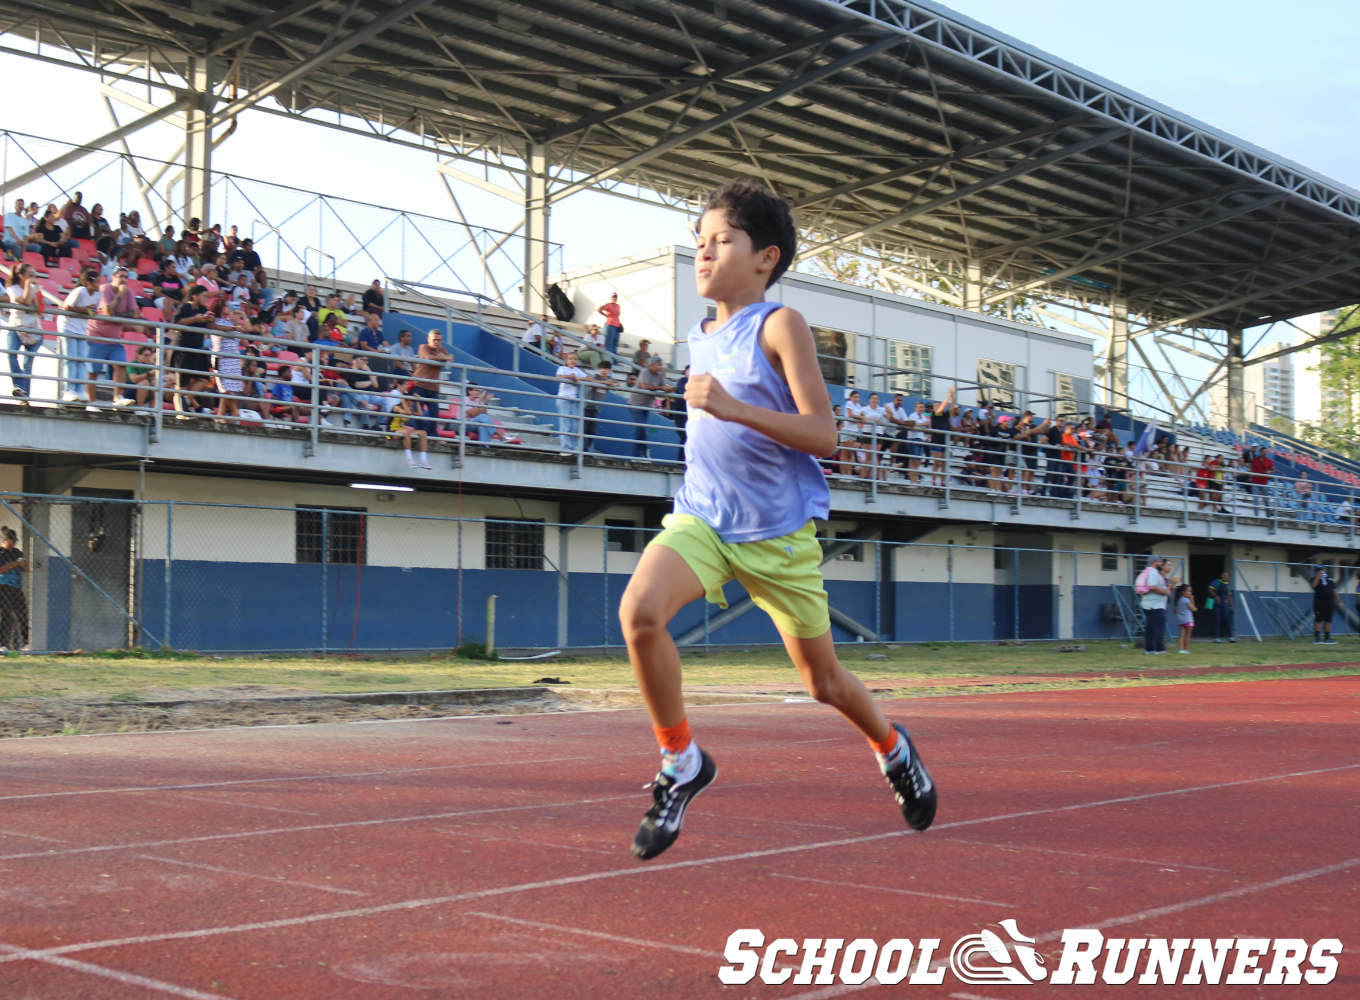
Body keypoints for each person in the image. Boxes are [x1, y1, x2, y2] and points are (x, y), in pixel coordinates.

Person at [618, 180, 936, 861]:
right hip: (702, 519)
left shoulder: (778, 325)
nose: (703, 254)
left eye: (720, 241)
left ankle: (892, 746)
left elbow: (824, 434)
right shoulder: (700, 338)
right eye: (698, 243)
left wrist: (733, 408)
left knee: (822, 683)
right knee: (640, 614)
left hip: (776, 537)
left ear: (765, 257)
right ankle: (682, 761)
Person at [59, 269, 102, 404]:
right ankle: (69, 389)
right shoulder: (80, 291)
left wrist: (91, 312)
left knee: (81, 360)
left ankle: (80, 389)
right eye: (96, 282)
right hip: (69, 326)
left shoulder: (97, 294)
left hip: (82, 329)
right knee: (71, 359)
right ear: (88, 282)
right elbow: (66, 306)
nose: (99, 285)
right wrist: (84, 309)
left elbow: (94, 310)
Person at [4, 261, 42, 401]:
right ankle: (19, 386)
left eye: (34, 274)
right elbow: (25, 301)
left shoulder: (35, 288)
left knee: (27, 364)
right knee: (11, 354)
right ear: (21, 276)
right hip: (16, 327)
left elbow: (37, 306)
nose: (33, 277)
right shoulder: (13, 289)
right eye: (29, 275)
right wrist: (28, 286)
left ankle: (24, 396)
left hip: (33, 329)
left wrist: (32, 290)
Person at [628, 355, 669, 458]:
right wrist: (661, 388)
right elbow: (645, 386)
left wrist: (669, 389)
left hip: (646, 406)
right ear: (652, 365)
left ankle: (638, 455)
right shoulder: (644, 371)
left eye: (661, 365)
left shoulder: (660, 375)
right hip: (635, 404)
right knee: (641, 427)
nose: (660, 367)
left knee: (641, 429)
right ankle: (642, 452)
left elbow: (663, 389)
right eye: (658, 365)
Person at [1136, 555, 1172, 654]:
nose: (1161, 563)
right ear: (1155, 562)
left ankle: (1150, 649)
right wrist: (1164, 592)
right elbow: (1152, 586)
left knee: (1151, 627)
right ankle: (1159, 649)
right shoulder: (1153, 572)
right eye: (1160, 561)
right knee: (1158, 627)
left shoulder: (1150, 572)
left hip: (1150, 604)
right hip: (1154, 605)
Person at [554, 349, 588, 454]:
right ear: (566, 360)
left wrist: (578, 379)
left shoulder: (577, 370)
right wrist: (571, 377)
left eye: (575, 359)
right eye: (571, 359)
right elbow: (558, 377)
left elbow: (588, 378)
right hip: (563, 398)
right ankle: (565, 448)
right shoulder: (562, 368)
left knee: (575, 424)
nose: (573, 361)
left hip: (574, 399)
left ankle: (572, 448)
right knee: (566, 424)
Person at [0, 526, 27, 653]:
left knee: (22, 615)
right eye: (11, 541)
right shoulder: (1, 553)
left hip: (16, 587)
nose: (14, 544)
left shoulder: (17, 553)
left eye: (15, 541)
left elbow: (26, 569)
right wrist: (12, 564)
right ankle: (3, 644)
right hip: (3, 587)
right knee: (7, 614)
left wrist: (22, 564)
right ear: (4, 540)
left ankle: (25, 644)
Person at [389, 392, 432, 469]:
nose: (412, 403)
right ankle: (409, 459)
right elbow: (408, 413)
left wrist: (418, 401)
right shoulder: (396, 407)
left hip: (403, 431)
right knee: (406, 431)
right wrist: (403, 400)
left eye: (413, 401)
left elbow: (420, 414)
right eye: (410, 401)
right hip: (392, 432)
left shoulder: (409, 408)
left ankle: (423, 460)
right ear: (405, 401)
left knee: (423, 433)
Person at [583, 359, 616, 451]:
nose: (604, 370)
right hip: (587, 407)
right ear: (598, 369)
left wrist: (612, 384)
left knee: (592, 430)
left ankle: (586, 448)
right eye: (601, 368)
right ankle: (582, 448)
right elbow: (592, 381)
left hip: (596, 409)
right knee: (584, 429)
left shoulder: (609, 379)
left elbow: (617, 384)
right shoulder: (595, 376)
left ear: (609, 371)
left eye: (606, 369)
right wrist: (606, 383)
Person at [1311, 566, 1340, 645]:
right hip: (1319, 602)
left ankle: (1327, 638)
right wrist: (1318, 577)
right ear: (1316, 571)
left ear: (1325, 570)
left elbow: (1334, 590)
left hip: (1330, 602)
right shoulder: (1314, 578)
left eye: (1323, 570)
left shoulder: (1330, 579)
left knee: (1328, 620)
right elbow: (1313, 586)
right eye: (1319, 570)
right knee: (1318, 620)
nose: (1321, 571)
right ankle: (1317, 639)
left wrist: (1338, 600)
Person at [1206, 570, 1235, 643]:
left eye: (1227, 576)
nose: (1225, 577)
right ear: (1221, 576)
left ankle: (1231, 637)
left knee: (1228, 620)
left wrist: (1231, 606)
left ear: (1229, 577)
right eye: (1224, 575)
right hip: (1217, 604)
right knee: (1217, 620)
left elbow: (1230, 596)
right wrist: (1216, 596)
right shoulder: (1216, 582)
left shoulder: (1229, 585)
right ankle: (1216, 638)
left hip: (1226, 605)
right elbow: (1210, 590)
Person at [598, 292, 623, 356]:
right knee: (609, 343)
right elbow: (599, 309)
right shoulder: (609, 305)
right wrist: (606, 315)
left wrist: (620, 324)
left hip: (617, 326)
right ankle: (609, 359)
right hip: (610, 325)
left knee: (615, 343)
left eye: (615, 297)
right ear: (611, 298)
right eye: (613, 296)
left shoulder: (618, 306)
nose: (614, 298)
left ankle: (614, 360)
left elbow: (616, 316)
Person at [1174, 583, 1196, 654]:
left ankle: (1180, 649)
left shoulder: (1179, 600)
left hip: (1181, 620)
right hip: (1188, 620)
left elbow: (1175, 611)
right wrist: (1192, 600)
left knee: (1182, 635)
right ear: (1183, 592)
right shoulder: (1186, 600)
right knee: (1187, 636)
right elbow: (1193, 609)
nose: (1190, 593)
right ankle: (1185, 649)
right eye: (1189, 591)